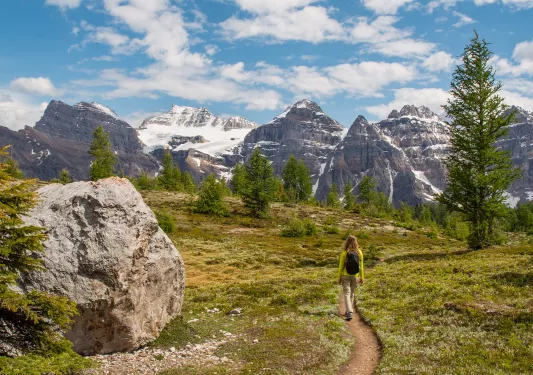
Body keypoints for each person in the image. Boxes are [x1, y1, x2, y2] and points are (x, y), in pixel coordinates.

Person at [338, 235, 364, 321]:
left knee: (346, 293)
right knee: (352, 293)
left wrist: (339, 278)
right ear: (356, 242)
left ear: (347, 242)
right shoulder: (359, 252)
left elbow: (341, 267)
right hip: (355, 276)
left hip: (345, 276)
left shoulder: (344, 253)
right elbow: (361, 267)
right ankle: (349, 311)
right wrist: (362, 278)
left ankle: (349, 312)